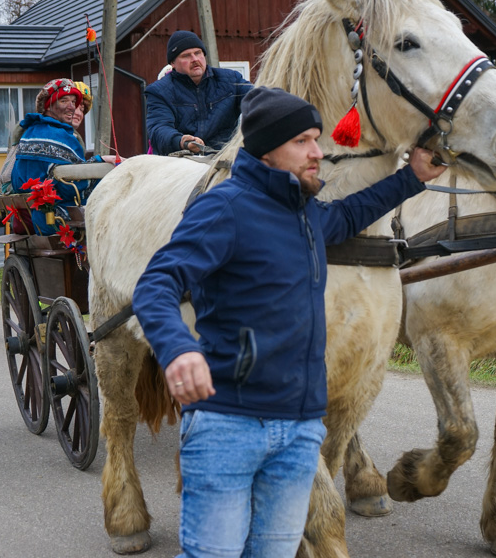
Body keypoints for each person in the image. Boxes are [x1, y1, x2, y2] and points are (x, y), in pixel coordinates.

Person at [132, 87, 446, 557]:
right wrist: (178, 348)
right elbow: (156, 283)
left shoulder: (306, 217)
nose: (318, 152)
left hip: (299, 432)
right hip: (227, 427)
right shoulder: (224, 208)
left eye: (317, 139)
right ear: (267, 148)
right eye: (302, 141)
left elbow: (352, 212)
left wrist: (413, 177)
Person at [10, 78, 115, 234]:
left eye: (73, 102)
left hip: (30, 217)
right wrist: (100, 165)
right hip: (54, 220)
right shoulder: (58, 135)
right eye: (64, 101)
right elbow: (72, 187)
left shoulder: (31, 132)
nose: (71, 107)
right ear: (48, 105)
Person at [145, 30, 252, 155]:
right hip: (181, 162)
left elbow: (257, 99)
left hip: (226, 158)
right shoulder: (159, 91)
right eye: (186, 55)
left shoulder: (231, 80)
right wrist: (181, 141)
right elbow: (158, 130)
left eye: (198, 53)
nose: (195, 59)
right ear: (172, 63)